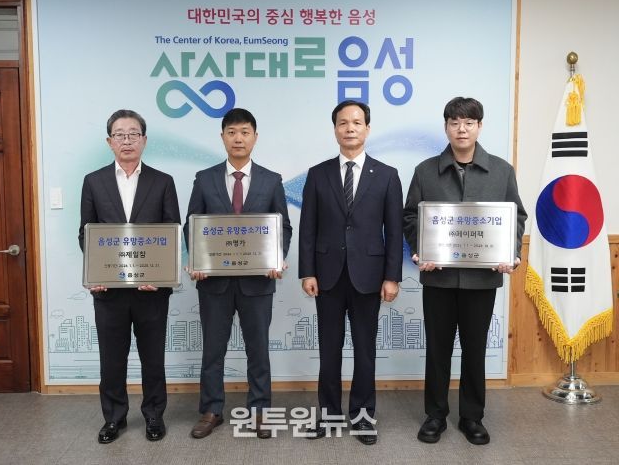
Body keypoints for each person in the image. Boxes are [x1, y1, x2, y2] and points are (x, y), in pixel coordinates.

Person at [403, 97, 527, 445]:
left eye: (469, 123)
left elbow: (516, 216)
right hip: (439, 277)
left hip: (481, 279)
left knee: (475, 350)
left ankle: (472, 417)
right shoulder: (425, 171)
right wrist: (420, 248)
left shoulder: (502, 170)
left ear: (479, 127)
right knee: (437, 349)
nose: (462, 129)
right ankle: (435, 415)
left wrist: (510, 253)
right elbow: (410, 216)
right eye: (455, 122)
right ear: (446, 127)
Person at [298, 100, 404, 445]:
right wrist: (307, 272)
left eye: (357, 122)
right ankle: (328, 415)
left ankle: (362, 417)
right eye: (343, 123)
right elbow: (308, 228)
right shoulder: (318, 174)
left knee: (364, 350)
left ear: (367, 129)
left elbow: (394, 231)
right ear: (335, 130)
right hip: (327, 276)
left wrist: (392, 277)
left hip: (369, 276)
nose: (350, 128)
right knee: (329, 351)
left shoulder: (387, 175)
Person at [184, 108, 292, 440]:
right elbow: (192, 225)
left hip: (257, 283)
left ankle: (259, 411)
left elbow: (283, 227)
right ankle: (211, 410)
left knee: (258, 350)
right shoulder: (204, 179)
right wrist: (197, 260)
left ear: (255, 137)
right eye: (231, 132)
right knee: (213, 350)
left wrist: (277, 257)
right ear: (222, 137)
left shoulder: (271, 180)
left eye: (245, 132)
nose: (238, 138)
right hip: (213, 282)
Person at [78, 109, 181, 443]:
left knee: (153, 358)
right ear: (109, 141)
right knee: (111, 359)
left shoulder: (163, 181)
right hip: (109, 290)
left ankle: (154, 416)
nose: (126, 140)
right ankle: (114, 418)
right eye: (119, 134)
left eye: (133, 134)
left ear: (144, 140)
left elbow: (171, 232)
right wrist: (96, 271)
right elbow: (86, 233)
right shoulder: (93, 181)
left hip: (151, 289)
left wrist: (161, 275)